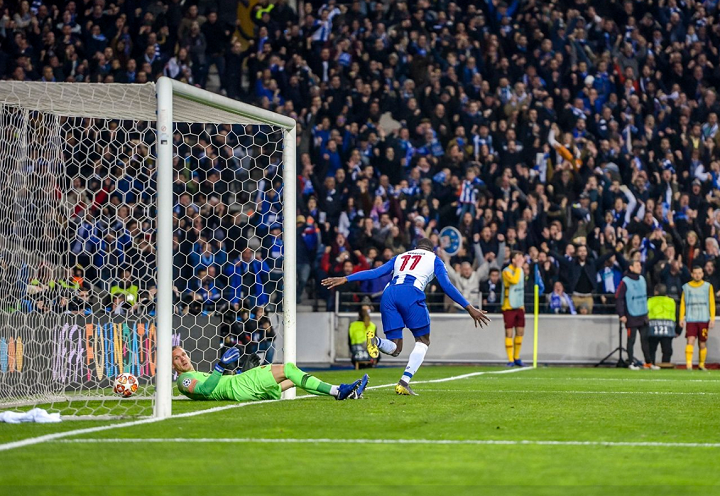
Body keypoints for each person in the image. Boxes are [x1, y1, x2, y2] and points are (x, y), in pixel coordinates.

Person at [321, 238, 490, 396]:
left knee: (395, 348)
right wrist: (469, 307)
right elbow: (446, 285)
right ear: (432, 250)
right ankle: (403, 382)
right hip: (411, 292)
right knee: (423, 341)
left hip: (389, 294)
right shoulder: (435, 259)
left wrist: (346, 278)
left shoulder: (400, 257)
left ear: (415, 248)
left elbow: (375, 272)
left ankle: (376, 341)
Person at [172, 346, 368, 401]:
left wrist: (233, 372)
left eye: (183, 354)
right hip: (239, 386)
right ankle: (338, 391)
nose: (182, 359)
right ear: (172, 366)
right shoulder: (184, 380)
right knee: (288, 369)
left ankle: (348, 393)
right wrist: (220, 367)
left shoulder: (194, 374)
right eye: (176, 358)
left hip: (239, 387)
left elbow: (213, 387)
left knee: (294, 378)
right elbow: (205, 390)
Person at [615, 259, 653, 370]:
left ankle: (648, 363)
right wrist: (621, 314)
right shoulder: (625, 281)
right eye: (637, 265)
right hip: (631, 314)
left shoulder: (642, 279)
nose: (639, 267)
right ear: (631, 267)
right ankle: (630, 362)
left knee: (645, 339)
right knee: (631, 340)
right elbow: (618, 298)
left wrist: (647, 311)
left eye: (640, 265)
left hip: (643, 314)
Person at [680, 265, 715, 371]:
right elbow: (683, 303)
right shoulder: (686, 287)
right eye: (695, 273)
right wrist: (681, 318)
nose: (697, 275)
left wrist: (712, 318)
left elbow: (712, 303)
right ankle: (689, 365)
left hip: (704, 319)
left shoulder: (708, 286)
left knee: (702, 343)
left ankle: (701, 364)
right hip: (691, 319)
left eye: (699, 273)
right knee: (690, 340)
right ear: (692, 274)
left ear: (702, 274)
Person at [502, 251, 526, 367]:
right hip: (508, 306)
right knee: (509, 332)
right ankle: (510, 359)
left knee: (520, 331)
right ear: (513, 260)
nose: (521, 260)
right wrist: (519, 268)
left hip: (519, 305)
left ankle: (517, 357)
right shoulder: (506, 271)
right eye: (519, 258)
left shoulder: (521, 270)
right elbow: (514, 281)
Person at [647, 284, 678, 367]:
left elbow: (645, 314)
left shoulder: (650, 300)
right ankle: (665, 366)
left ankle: (651, 365)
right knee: (667, 350)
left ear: (656, 292)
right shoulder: (671, 301)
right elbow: (676, 315)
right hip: (668, 329)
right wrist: (678, 330)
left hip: (653, 328)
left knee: (651, 349)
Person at [348, 304, 378, 369]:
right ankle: (371, 365)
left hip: (356, 353)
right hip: (371, 354)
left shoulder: (352, 325)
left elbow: (349, 341)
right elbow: (376, 341)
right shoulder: (372, 326)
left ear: (359, 314)